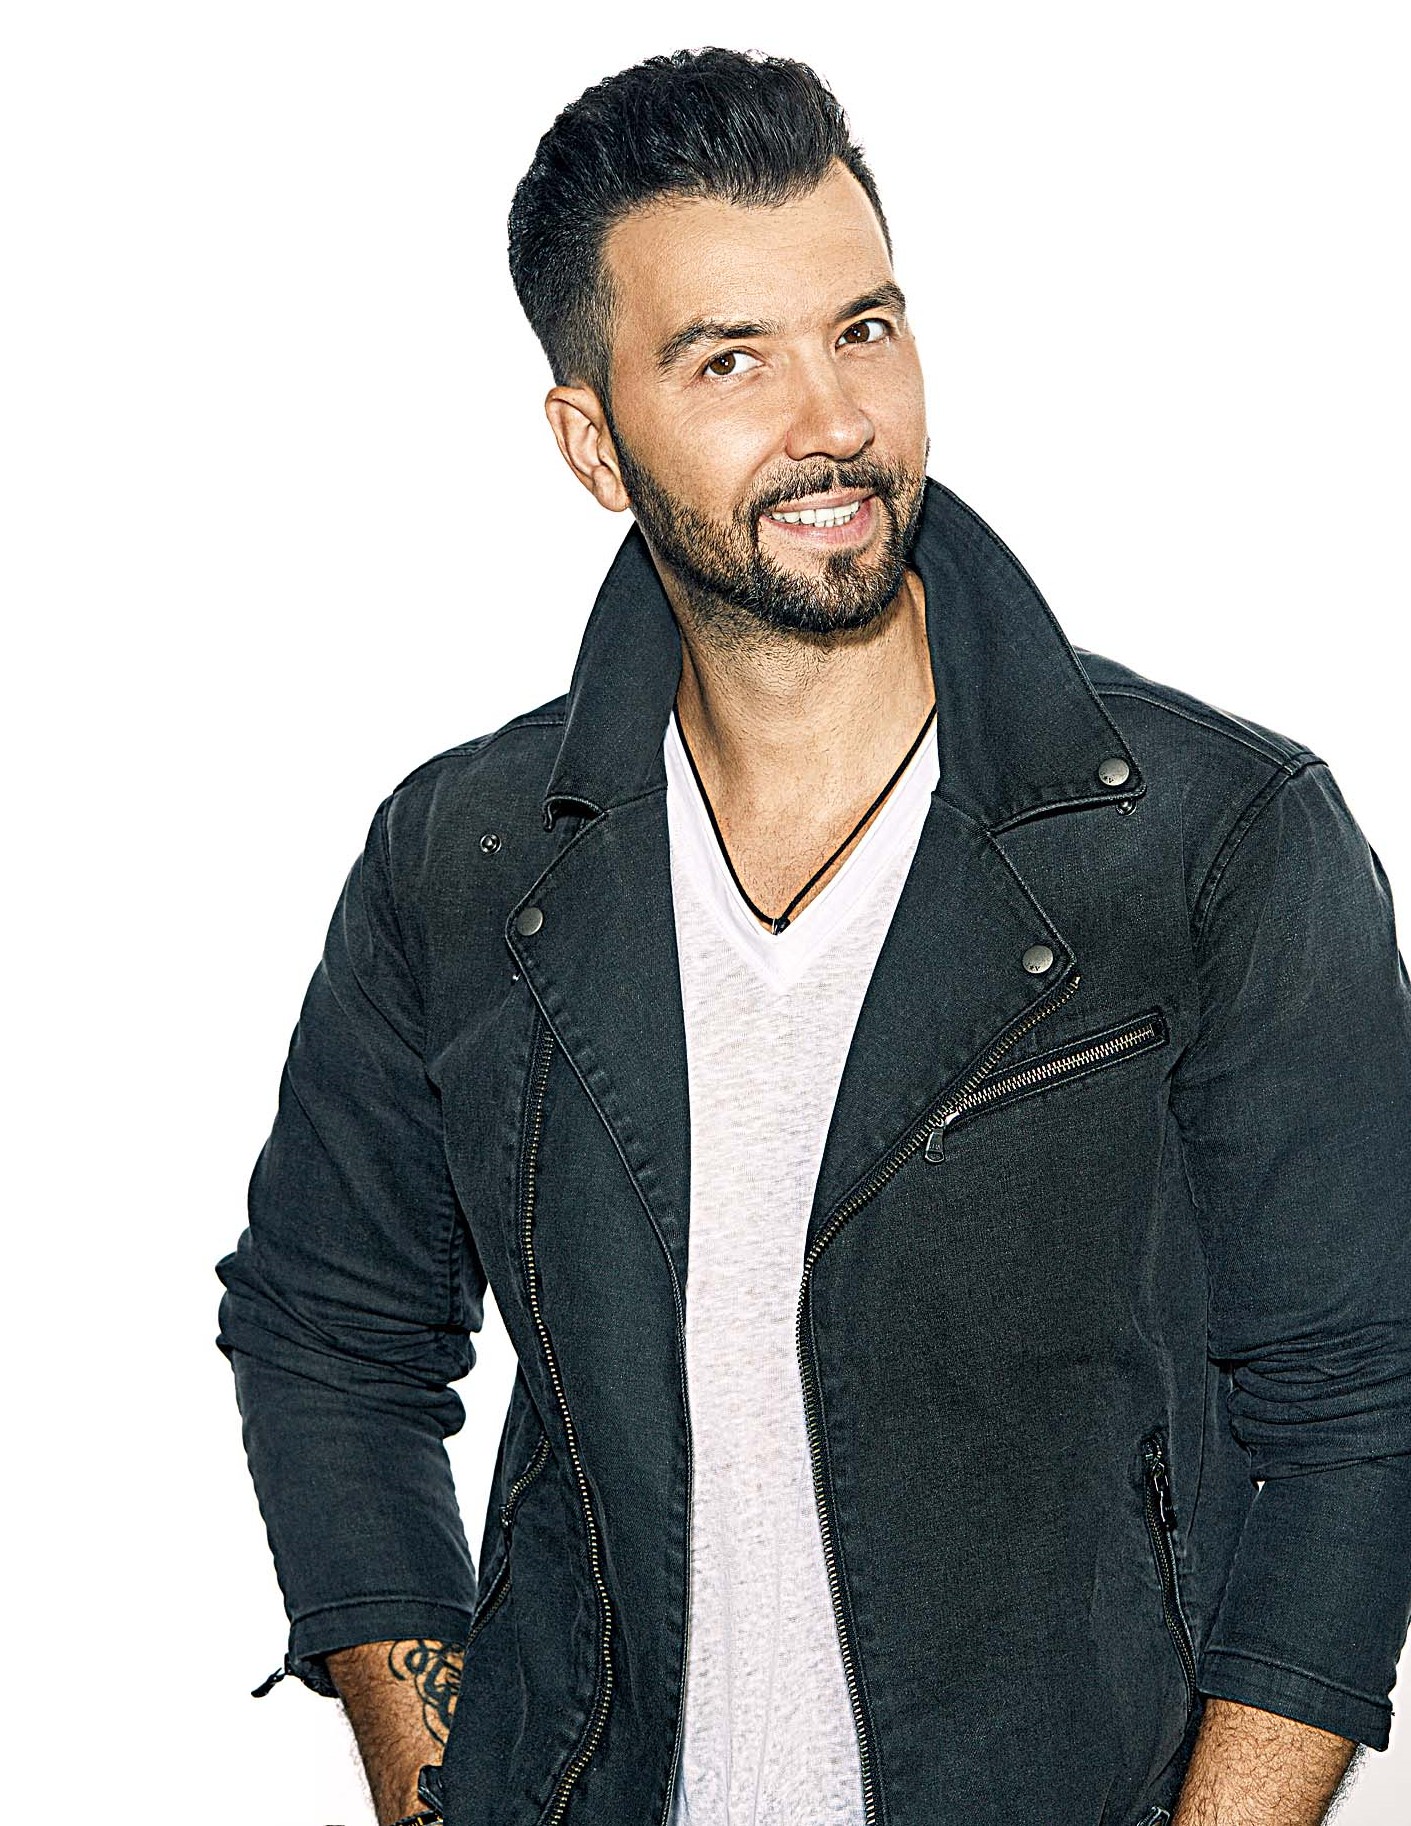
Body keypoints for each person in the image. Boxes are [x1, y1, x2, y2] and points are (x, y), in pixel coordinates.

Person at [215, 46, 1411, 1826]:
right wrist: (437, 1789)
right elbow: (329, 1332)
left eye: (864, 328)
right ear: (592, 441)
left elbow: (1360, 1399)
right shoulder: (459, 860)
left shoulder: (1212, 840)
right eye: (731, 359)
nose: (833, 418)